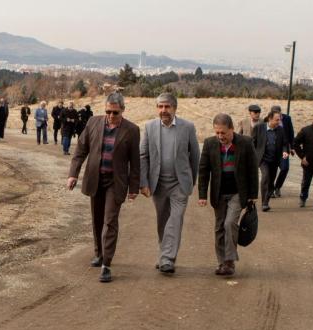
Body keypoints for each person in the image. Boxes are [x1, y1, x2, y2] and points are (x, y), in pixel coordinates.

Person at [68, 92, 140, 283]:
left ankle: (106, 264)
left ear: (122, 110)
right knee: (97, 219)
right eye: (108, 112)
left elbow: (135, 162)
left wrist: (134, 187)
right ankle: (99, 253)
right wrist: (73, 174)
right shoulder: (93, 122)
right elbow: (81, 149)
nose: (111, 116)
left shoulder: (132, 130)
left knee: (110, 221)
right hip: (95, 179)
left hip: (115, 183)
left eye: (115, 112)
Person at [137, 92, 200, 275]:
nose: (163, 110)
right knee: (162, 221)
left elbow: (195, 156)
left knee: (175, 219)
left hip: (179, 184)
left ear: (175, 108)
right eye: (160, 106)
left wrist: (191, 180)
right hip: (158, 184)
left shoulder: (187, 127)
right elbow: (143, 156)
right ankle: (164, 253)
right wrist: (143, 182)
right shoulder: (149, 127)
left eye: (167, 106)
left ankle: (167, 259)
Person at [197, 113, 258, 277]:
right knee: (219, 227)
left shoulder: (245, 143)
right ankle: (222, 262)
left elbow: (253, 169)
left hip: (238, 192)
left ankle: (229, 261)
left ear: (232, 129)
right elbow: (203, 171)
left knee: (230, 223)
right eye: (217, 132)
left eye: (223, 132)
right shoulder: (209, 143)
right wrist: (202, 195)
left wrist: (253, 194)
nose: (220, 136)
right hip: (219, 193)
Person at [253, 111, 289, 211]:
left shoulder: (281, 130)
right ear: (270, 119)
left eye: (280, 120)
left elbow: (285, 143)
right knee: (265, 177)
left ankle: (266, 201)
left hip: (275, 159)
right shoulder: (259, 128)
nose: (279, 122)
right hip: (263, 159)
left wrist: (285, 151)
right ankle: (264, 203)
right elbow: (252, 142)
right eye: (277, 120)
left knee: (271, 181)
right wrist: (253, 155)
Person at [269, 105, 295, 198]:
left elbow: (291, 133)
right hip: (272, 150)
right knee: (271, 171)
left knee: (285, 168)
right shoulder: (267, 119)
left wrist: (292, 147)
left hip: (284, 148)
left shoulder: (287, 119)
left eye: (279, 113)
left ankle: (277, 187)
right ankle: (270, 190)